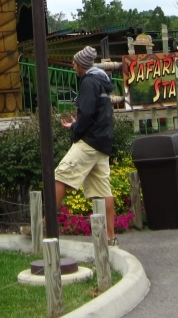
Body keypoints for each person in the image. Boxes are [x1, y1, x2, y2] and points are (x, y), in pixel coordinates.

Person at [54, 45, 117, 245]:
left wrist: (76, 127)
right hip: (103, 141)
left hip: (90, 141)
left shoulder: (89, 82)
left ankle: (47, 224)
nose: (73, 66)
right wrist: (77, 122)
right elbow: (96, 112)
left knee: (60, 175)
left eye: (74, 63)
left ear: (81, 64)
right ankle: (110, 237)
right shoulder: (101, 80)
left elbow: (88, 113)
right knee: (103, 191)